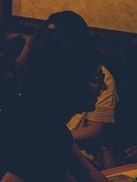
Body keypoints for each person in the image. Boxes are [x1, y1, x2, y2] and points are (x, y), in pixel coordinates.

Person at [0, 27, 108, 182]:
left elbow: (88, 174)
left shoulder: (51, 126)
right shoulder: (36, 130)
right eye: (96, 78)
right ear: (70, 83)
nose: (104, 86)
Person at [47, 10, 118, 167]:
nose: (52, 40)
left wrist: (53, 137)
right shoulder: (48, 67)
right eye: (49, 35)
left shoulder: (98, 75)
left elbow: (94, 131)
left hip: (77, 150)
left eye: (57, 35)